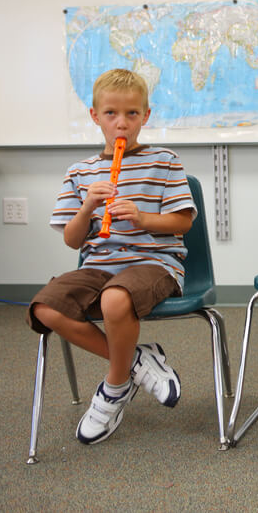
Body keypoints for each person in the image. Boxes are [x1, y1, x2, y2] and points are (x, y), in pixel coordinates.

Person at [27, 69, 195, 445]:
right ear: (94, 116)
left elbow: (183, 223)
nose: (122, 123)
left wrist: (142, 216)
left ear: (146, 116)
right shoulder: (80, 172)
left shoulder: (164, 161)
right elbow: (72, 241)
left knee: (115, 299)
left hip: (153, 263)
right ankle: (137, 360)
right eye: (111, 114)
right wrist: (88, 207)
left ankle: (114, 387)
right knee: (43, 308)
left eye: (132, 114)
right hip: (98, 266)